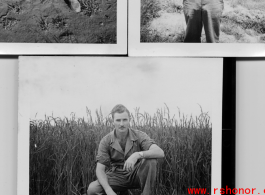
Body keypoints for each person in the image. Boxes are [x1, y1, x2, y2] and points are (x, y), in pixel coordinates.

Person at [87, 104, 165, 195]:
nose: (121, 124)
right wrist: (109, 191)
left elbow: (160, 152)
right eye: (118, 120)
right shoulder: (106, 141)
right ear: (113, 121)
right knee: (92, 190)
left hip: (136, 174)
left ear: (129, 120)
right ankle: (124, 192)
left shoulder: (139, 135)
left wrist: (137, 155)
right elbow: (100, 170)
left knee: (151, 160)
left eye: (124, 120)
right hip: (116, 175)